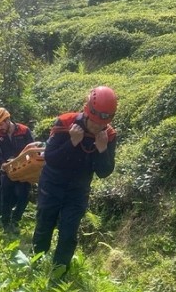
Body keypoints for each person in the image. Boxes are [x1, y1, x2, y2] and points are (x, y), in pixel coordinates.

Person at [32, 86, 118, 276]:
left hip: (77, 191)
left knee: (69, 233)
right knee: (44, 226)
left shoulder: (107, 135)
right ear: (87, 111)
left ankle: (59, 273)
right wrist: (72, 142)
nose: (96, 127)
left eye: (101, 123)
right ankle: (35, 265)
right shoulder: (65, 123)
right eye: (94, 122)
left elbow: (104, 172)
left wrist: (102, 149)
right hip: (52, 185)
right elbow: (51, 158)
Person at [0, 108, 34, 234]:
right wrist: (2, 161)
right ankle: (5, 223)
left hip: (24, 168)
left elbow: (32, 145)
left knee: (24, 196)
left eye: (1, 124)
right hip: (8, 169)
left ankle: (15, 219)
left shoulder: (24, 130)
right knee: (6, 196)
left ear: (8, 120)